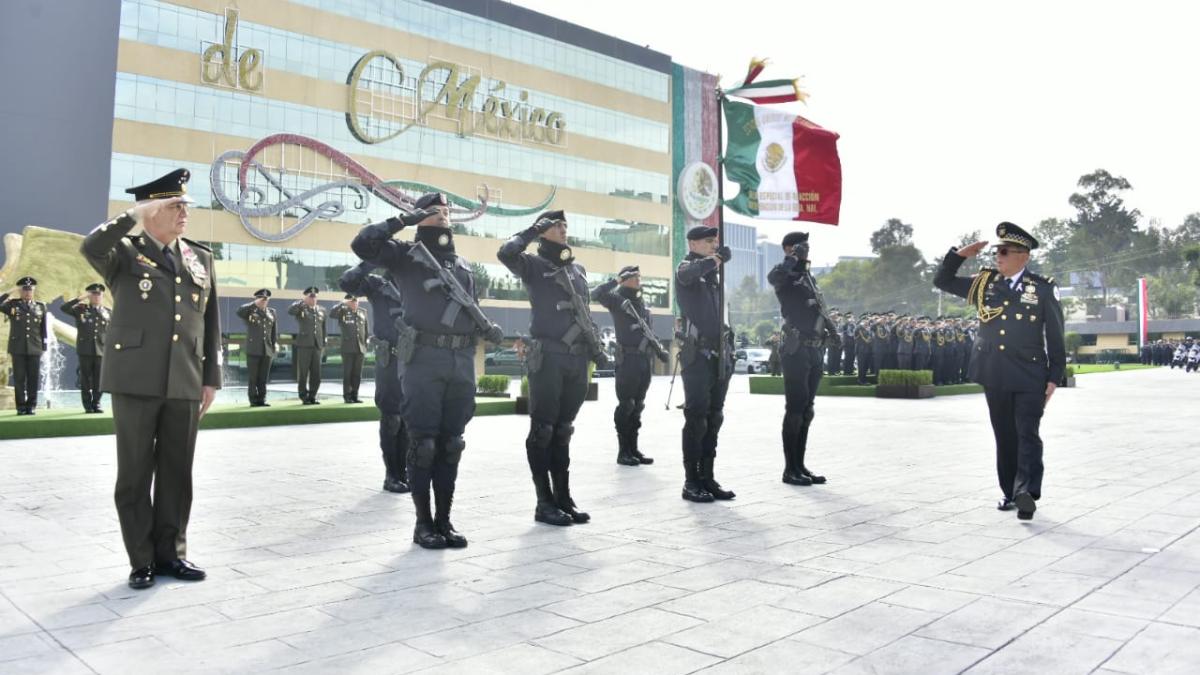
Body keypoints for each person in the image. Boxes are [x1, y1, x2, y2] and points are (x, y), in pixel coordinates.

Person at [80, 168, 221, 589]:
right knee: (135, 473)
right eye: (175, 206)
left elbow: (209, 322)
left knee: (178, 472)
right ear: (152, 210)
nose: (184, 213)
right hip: (135, 378)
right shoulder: (122, 251)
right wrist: (132, 215)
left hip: (185, 377)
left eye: (184, 206)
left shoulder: (200, 257)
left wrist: (209, 377)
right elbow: (90, 246)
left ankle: (172, 554)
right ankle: (140, 559)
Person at [353, 191, 502, 549]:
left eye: (446, 210)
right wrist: (403, 220)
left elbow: (469, 308)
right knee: (424, 444)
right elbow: (363, 244)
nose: (443, 215)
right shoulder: (405, 255)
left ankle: (445, 521)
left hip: (460, 362)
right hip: (422, 360)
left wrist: (486, 328)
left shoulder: (463, 265)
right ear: (420, 215)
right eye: (433, 210)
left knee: (452, 444)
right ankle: (423, 524)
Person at [934, 221, 1065, 520]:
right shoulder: (984, 283)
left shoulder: (1043, 288)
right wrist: (958, 255)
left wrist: (1055, 378)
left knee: (1027, 433)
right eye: (997, 251)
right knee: (1005, 435)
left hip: (1030, 374)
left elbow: (1056, 335)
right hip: (993, 371)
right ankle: (1010, 492)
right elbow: (942, 280)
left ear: (1024, 256)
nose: (998, 256)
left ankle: (1026, 492)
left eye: (1004, 251)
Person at [499, 210, 600, 525]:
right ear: (544, 231)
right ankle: (544, 502)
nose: (563, 229)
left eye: (565, 225)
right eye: (556, 225)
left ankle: (563, 498)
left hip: (577, 359)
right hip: (548, 358)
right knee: (542, 430)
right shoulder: (534, 264)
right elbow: (506, 253)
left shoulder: (577, 269)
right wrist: (532, 230)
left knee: (563, 431)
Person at [768, 232, 837, 487]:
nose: (807, 249)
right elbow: (774, 278)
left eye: (807, 246)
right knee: (795, 409)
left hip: (815, 348)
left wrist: (832, 331)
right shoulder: (785, 275)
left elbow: (819, 308)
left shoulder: (808, 276)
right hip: (795, 349)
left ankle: (800, 465)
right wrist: (792, 258)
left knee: (807, 410)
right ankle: (789, 469)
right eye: (801, 246)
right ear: (789, 248)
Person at [675, 225, 736, 503]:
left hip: (720, 354)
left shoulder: (712, 276)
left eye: (715, 241)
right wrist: (714, 260)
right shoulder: (687, 268)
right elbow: (688, 275)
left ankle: (707, 476)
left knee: (715, 417)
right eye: (708, 241)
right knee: (696, 417)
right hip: (697, 355)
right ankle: (691, 481)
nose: (714, 245)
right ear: (693, 243)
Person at [340, 261, 410, 493]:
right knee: (392, 417)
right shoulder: (379, 285)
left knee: (409, 420)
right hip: (390, 359)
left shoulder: (417, 285)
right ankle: (391, 475)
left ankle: (405, 472)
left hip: (415, 361)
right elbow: (347, 282)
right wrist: (370, 260)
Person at [592, 265, 665, 467]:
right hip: (628, 360)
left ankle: (633, 449)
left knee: (638, 406)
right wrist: (616, 281)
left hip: (644, 360)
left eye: (638, 276)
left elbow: (648, 331)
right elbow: (595, 294)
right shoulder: (616, 299)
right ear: (625, 279)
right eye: (633, 277)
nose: (638, 279)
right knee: (627, 405)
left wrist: (659, 349)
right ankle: (623, 451)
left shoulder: (641, 302)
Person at [1, 276, 48, 415]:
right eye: (24, 290)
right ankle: (21, 406)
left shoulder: (41, 306)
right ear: (20, 291)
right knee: (19, 378)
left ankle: (31, 406)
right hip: (18, 347)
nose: (28, 293)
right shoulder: (12, 305)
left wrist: (43, 346)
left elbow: (43, 329)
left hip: (35, 347)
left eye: (30, 290)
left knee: (33, 378)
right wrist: (10, 291)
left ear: (33, 291)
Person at [62, 283, 111, 413]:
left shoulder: (107, 312)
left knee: (99, 379)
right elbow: (64, 308)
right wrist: (80, 298)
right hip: (85, 349)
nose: (96, 297)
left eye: (98, 294)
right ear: (89, 296)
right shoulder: (81, 309)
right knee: (85, 379)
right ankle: (87, 405)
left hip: (101, 349)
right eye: (93, 294)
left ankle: (97, 403)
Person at [235, 289, 277, 407]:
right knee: (253, 377)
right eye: (261, 299)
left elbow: (274, 332)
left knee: (263, 377)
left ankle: (262, 399)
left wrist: (273, 345)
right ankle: (253, 400)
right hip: (253, 348)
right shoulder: (249, 311)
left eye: (266, 299)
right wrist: (254, 304)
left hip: (267, 349)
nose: (264, 301)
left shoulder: (272, 312)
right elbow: (239, 311)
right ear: (256, 299)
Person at [289, 287, 327, 404]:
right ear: (306, 297)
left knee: (317, 374)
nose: (313, 298)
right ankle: (303, 397)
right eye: (311, 296)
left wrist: (323, 344)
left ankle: (312, 396)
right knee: (303, 373)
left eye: (315, 296)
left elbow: (323, 328)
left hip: (317, 345)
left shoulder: (322, 310)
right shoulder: (301, 309)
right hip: (304, 345)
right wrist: (302, 301)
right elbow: (291, 310)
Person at [330, 293, 369, 403]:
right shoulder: (343, 310)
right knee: (347, 373)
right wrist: (342, 303)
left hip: (360, 347)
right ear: (348, 302)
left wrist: (365, 345)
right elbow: (332, 314)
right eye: (352, 301)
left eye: (356, 301)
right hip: (347, 347)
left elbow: (366, 330)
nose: (355, 303)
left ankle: (355, 395)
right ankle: (347, 396)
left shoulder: (363, 312)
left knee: (357, 374)